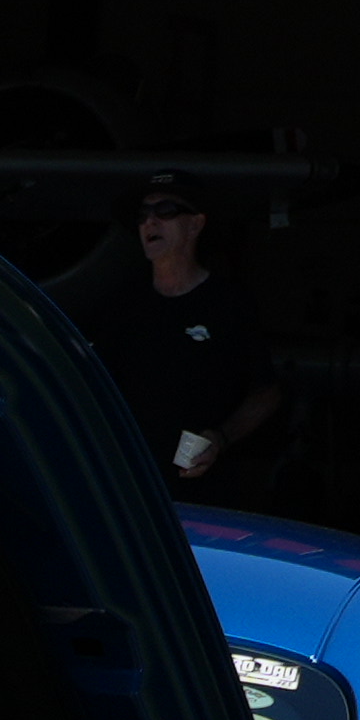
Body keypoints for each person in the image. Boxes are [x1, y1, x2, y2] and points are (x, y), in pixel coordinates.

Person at [63, 174, 280, 488]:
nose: (150, 222)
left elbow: (267, 392)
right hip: (135, 483)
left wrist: (220, 437)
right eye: (142, 215)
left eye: (165, 211)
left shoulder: (229, 304)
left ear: (195, 224)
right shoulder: (120, 305)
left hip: (208, 487)